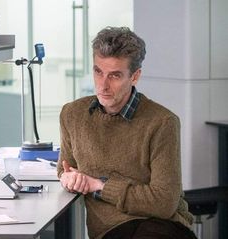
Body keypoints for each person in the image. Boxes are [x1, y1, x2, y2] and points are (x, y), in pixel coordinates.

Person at [57, 26, 197, 239]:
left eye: (114, 75)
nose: (103, 85)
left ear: (135, 76)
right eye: (98, 72)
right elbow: (65, 169)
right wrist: (68, 179)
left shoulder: (162, 122)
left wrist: (99, 186)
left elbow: (163, 203)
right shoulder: (73, 114)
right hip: (110, 230)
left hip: (162, 226)